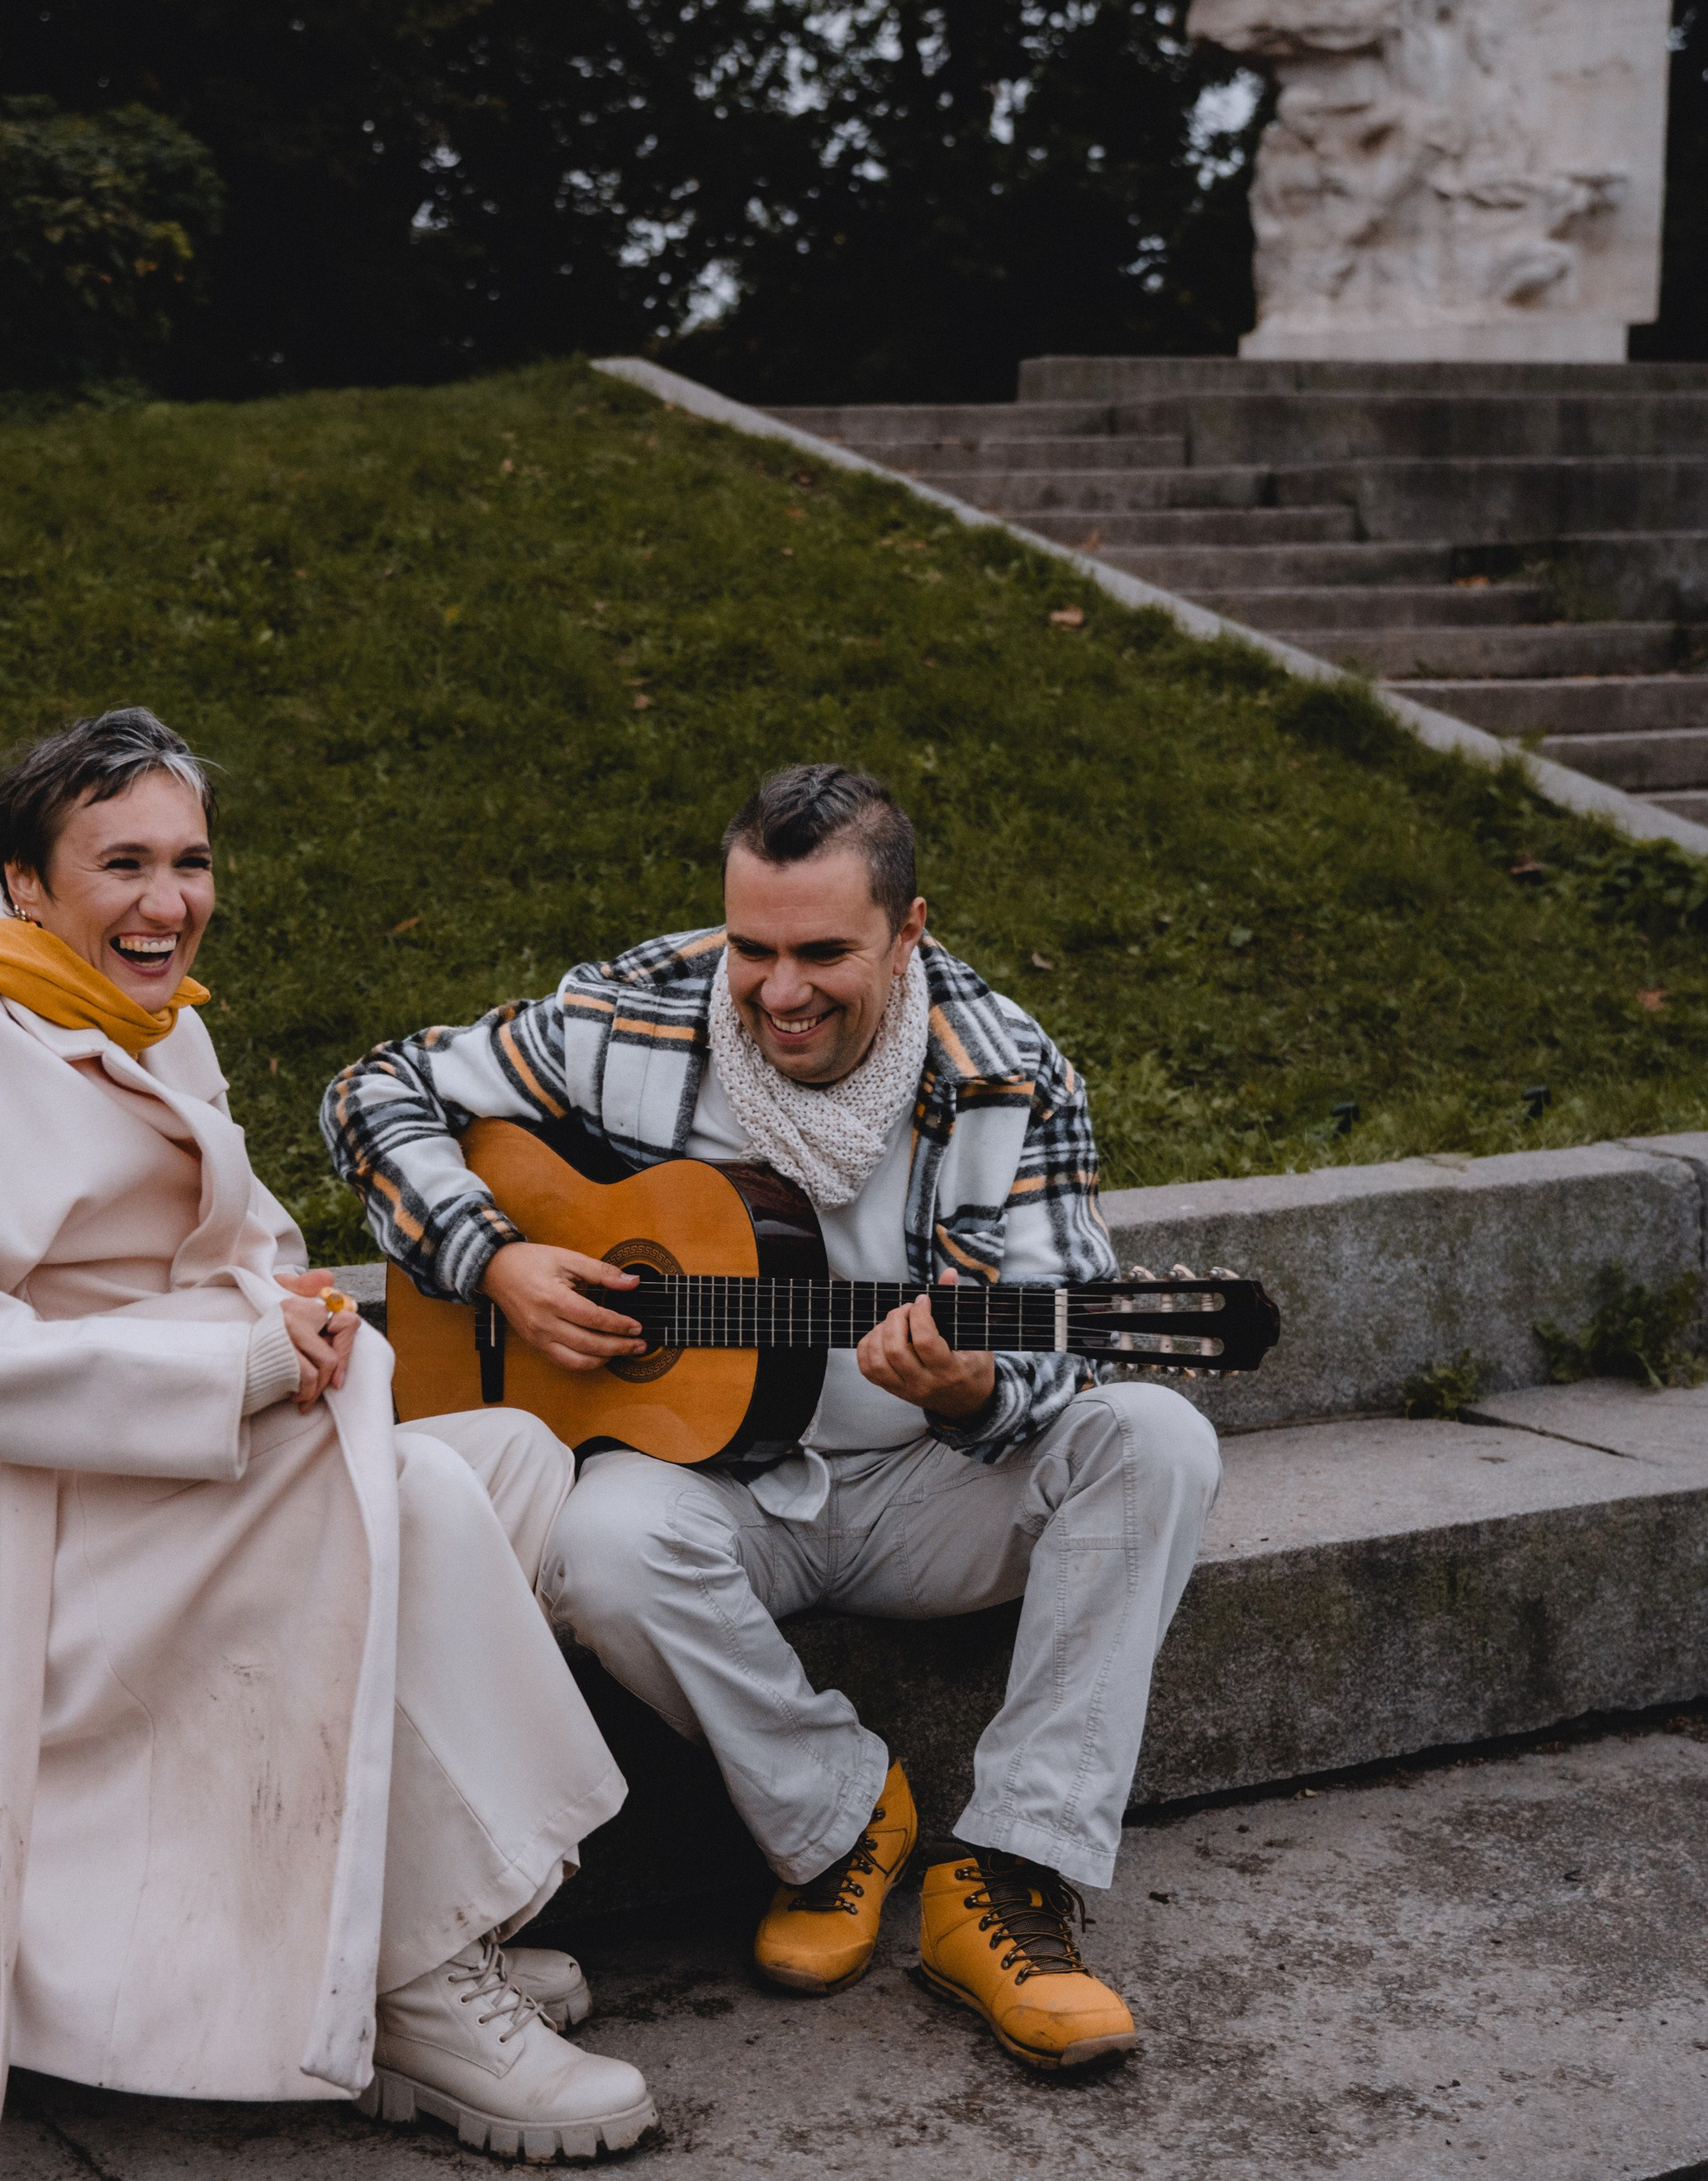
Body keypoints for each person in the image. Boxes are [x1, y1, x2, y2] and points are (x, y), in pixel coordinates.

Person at [0, 707, 656, 2168]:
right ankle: (418, 1991)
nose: (168, 904)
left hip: (137, 1490)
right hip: (8, 1530)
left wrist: (288, 1308)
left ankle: (393, 1917)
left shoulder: (146, 1014)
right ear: (27, 882)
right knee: (403, 1489)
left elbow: (231, 1241)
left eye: (191, 861)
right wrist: (228, 1366)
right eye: (123, 866)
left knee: (518, 1465)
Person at [324, 763, 1221, 2071]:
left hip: (927, 1486)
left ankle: (1014, 1879)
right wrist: (497, 1258)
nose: (779, 992)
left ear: (909, 934)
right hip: (723, 1494)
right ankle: (844, 1819)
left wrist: (974, 1382)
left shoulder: (1007, 1071)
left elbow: (1059, 1319)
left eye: (822, 954)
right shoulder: (637, 1012)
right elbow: (372, 1092)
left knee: (1156, 1441)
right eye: (752, 948)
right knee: (601, 1544)